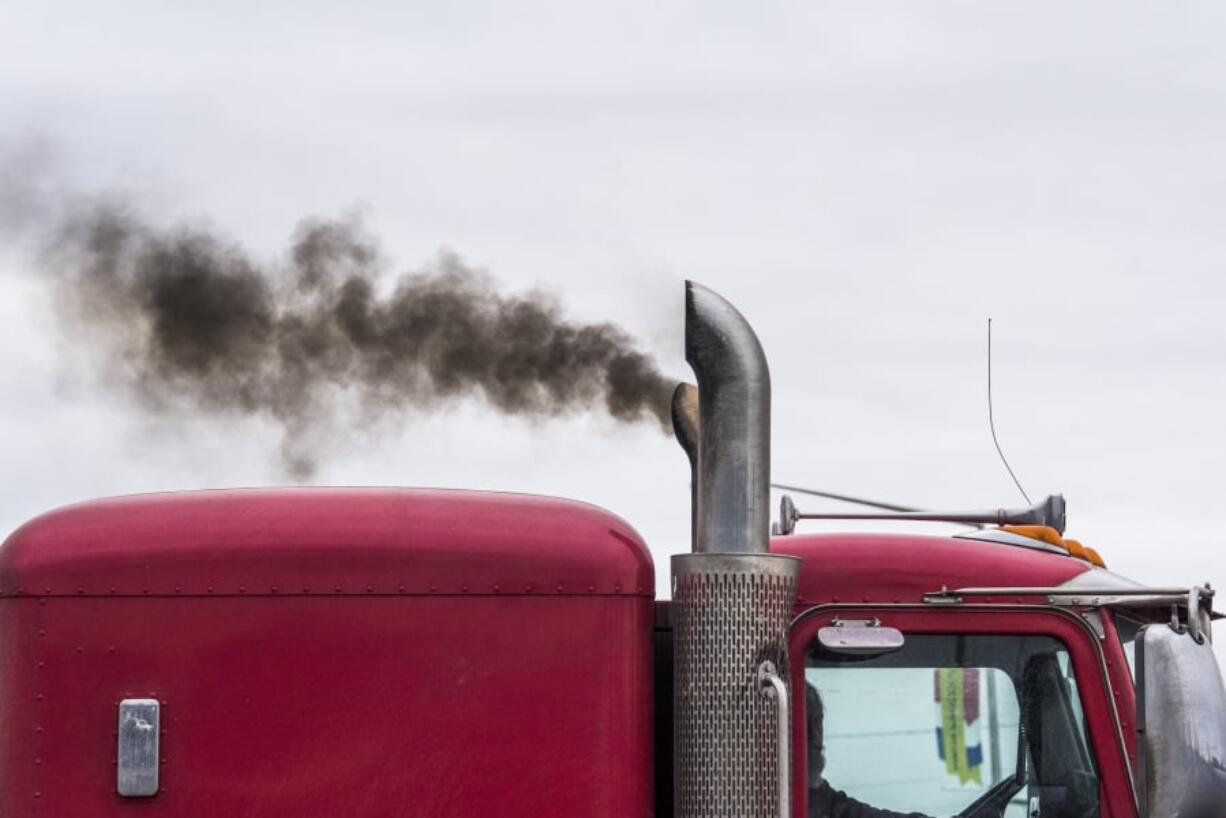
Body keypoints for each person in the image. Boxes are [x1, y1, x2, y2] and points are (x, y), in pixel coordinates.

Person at [807, 683, 934, 818]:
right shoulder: (815, 805)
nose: (818, 746)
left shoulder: (827, 806)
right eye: (810, 735)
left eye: (817, 732)